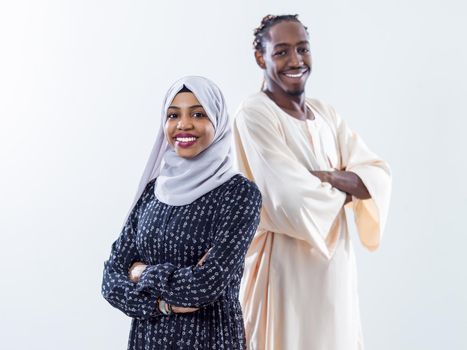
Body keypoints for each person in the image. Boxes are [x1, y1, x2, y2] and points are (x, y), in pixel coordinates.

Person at [233, 15, 392, 350]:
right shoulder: (255, 113)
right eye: (281, 52)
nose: (296, 61)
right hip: (283, 275)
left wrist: (330, 177)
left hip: (336, 273)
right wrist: (349, 186)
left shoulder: (326, 115)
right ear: (260, 57)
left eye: (302, 49)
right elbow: (292, 202)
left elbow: (377, 176)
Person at [102, 76, 262, 349]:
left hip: (210, 340)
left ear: (218, 121)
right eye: (173, 115)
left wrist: (141, 273)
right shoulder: (153, 192)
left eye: (198, 114)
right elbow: (111, 282)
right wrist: (164, 305)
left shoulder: (239, 194)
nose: (183, 124)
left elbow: (205, 286)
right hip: (148, 341)